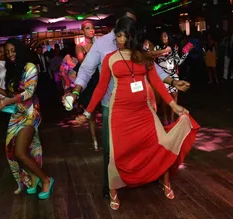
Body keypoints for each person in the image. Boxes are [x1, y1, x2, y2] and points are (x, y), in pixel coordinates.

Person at [62, 8, 191, 199]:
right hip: (114, 108)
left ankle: (152, 177)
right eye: (126, 25)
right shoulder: (104, 49)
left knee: (152, 144)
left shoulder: (139, 52)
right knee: (113, 151)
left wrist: (173, 91)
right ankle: (111, 187)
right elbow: (89, 73)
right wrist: (79, 100)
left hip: (142, 108)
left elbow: (153, 73)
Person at [0, 38, 54, 199]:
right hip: (17, 113)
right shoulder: (13, 70)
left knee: (20, 152)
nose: (11, 54)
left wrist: (5, 102)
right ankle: (33, 178)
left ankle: (45, 179)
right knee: (12, 149)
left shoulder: (30, 67)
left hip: (30, 113)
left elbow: (28, 92)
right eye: (7, 52)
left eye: (13, 50)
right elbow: (14, 94)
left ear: (19, 50)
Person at [155, 31, 191, 125]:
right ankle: (165, 117)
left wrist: (186, 52)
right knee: (164, 97)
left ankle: (172, 117)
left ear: (168, 37)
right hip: (163, 75)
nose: (163, 38)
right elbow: (152, 60)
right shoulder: (157, 48)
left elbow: (178, 62)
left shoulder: (173, 48)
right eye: (162, 36)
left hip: (173, 74)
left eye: (165, 36)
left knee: (174, 95)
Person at [75, 20, 100, 151]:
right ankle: (94, 138)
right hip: (88, 81)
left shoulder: (98, 43)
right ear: (82, 31)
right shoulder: (80, 46)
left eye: (93, 28)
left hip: (100, 78)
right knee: (91, 111)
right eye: (88, 28)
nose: (91, 30)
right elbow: (83, 63)